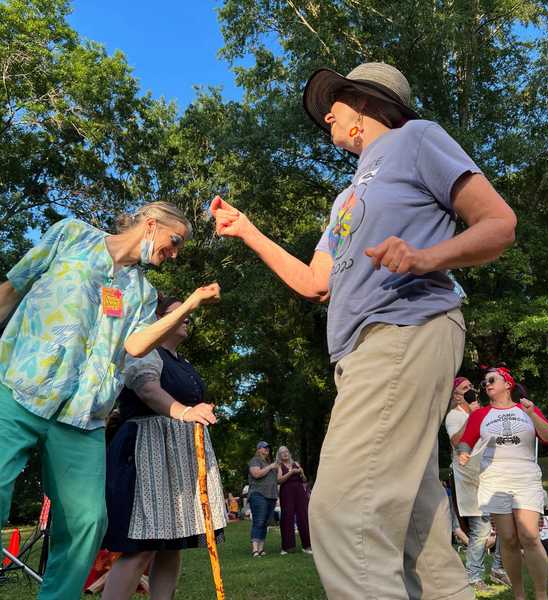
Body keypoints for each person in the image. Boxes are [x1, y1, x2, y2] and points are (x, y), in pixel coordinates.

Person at [211, 60, 516, 599]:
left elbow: (498, 225)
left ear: (369, 106)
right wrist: (248, 231)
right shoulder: (344, 199)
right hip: (360, 356)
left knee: (344, 514)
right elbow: (313, 283)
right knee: (419, 537)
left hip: (402, 329)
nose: (326, 112)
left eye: (337, 99)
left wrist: (425, 256)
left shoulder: (417, 140)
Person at [0, 203, 221, 600]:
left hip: (83, 415)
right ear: (151, 223)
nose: (175, 252)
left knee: (87, 520)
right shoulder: (71, 235)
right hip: (19, 388)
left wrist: (187, 305)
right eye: (175, 240)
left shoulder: (142, 293)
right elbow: (15, 286)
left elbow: (135, 345)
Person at [100, 295, 225, 600]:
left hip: (177, 458)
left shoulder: (182, 362)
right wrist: (186, 411)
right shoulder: (144, 351)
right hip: (146, 453)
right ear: (159, 321)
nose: (186, 317)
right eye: (177, 312)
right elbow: (147, 390)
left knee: (172, 544)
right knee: (142, 547)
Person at [458, 368, 548, 600]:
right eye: (485, 382)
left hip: (525, 478)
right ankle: (519, 594)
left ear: (507, 383)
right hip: (495, 480)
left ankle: (541, 595)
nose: (487, 384)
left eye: (492, 380)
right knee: (508, 540)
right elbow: (465, 442)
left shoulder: (526, 408)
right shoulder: (479, 415)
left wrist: (532, 414)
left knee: (530, 536)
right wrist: (464, 453)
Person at [444, 377, 509, 591]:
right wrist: (472, 413)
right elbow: (456, 442)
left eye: (472, 386)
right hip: (469, 480)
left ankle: (499, 568)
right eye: (465, 388)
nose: (471, 389)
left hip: (490, 475)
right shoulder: (454, 416)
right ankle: (474, 577)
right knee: (480, 530)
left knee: (506, 521)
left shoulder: (480, 411)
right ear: (455, 395)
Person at [275, 446, 312, 555]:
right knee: (287, 517)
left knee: (303, 516)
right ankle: (287, 547)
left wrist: (301, 473)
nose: (285, 454)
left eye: (286, 451)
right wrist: (291, 472)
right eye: (282, 453)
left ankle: (307, 546)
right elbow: (279, 480)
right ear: (279, 455)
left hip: (300, 491)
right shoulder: (279, 465)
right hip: (286, 492)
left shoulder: (296, 463)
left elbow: (304, 480)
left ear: (289, 453)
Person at [248, 441, 279, 556]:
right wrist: (271, 466)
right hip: (258, 495)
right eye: (264, 447)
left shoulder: (268, 462)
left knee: (265, 523)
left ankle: (261, 548)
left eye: (268, 448)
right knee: (259, 521)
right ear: (258, 449)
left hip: (271, 496)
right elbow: (256, 474)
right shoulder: (255, 460)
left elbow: (277, 479)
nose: (267, 449)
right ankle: (255, 549)